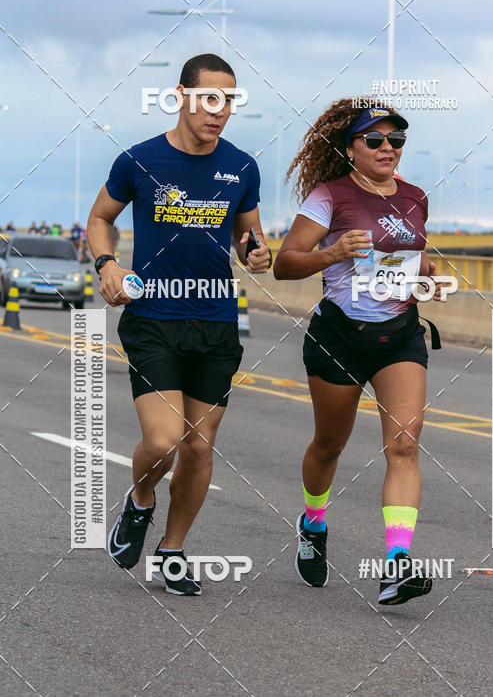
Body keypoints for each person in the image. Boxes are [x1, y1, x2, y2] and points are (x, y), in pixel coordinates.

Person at [87, 53, 271, 596]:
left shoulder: (242, 167)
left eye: (229, 100)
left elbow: (249, 236)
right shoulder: (139, 161)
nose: (219, 110)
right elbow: (100, 218)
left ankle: (172, 550)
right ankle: (140, 499)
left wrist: (256, 253)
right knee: (165, 440)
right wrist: (108, 264)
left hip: (215, 320)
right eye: (209, 98)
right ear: (181, 96)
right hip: (154, 318)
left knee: (199, 446)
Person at [274, 101, 444, 606]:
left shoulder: (415, 197)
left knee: (405, 444)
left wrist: (428, 277)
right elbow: (285, 264)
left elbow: (413, 258)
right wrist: (332, 253)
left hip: (399, 336)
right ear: (351, 148)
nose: (387, 148)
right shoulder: (329, 196)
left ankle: (397, 563)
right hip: (340, 337)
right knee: (329, 444)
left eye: (396, 140)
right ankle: (313, 521)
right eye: (375, 140)